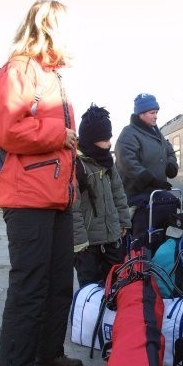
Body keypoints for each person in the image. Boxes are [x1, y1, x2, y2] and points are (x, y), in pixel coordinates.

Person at [0, 0, 83, 366]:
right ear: (50, 27)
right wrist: (59, 135)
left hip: (55, 195)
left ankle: (47, 352)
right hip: (28, 197)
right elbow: (7, 129)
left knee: (60, 280)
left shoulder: (51, 75)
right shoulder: (19, 69)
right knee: (29, 283)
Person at [72, 103, 131, 287]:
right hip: (88, 247)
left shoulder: (108, 162)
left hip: (112, 239)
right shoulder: (77, 165)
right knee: (91, 291)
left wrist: (123, 222)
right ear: (91, 139)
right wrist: (80, 243)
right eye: (104, 139)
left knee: (115, 288)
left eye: (109, 137)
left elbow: (118, 193)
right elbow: (73, 209)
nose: (109, 142)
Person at [115, 93, 179, 251]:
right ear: (140, 114)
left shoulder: (157, 134)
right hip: (136, 196)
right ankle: (138, 264)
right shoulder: (129, 133)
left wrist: (171, 164)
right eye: (152, 113)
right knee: (142, 238)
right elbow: (127, 161)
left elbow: (169, 151)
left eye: (156, 112)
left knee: (159, 233)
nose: (156, 116)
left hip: (155, 195)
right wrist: (150, 180)